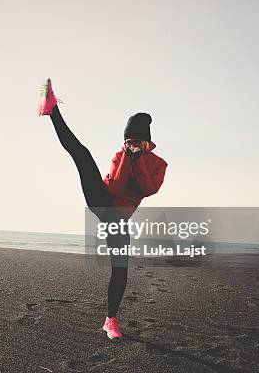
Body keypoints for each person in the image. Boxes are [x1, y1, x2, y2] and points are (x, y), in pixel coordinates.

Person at [38, 78, 168, 339]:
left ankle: (111, 320)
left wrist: (138, 161)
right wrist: (127, 159)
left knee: (120, 269)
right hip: (103, 200)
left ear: (146, 143)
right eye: (127, 141)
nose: (130, 145)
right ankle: (52, 109)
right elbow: (118, 187)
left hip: (119, 217)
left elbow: (147, 188)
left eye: (135, 141)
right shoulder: (120, 155)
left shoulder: (158, 163)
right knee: (82, 155)